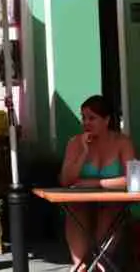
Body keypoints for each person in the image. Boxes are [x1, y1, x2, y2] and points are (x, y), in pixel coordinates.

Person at [60, 95, 136, 268]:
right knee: (74, 210)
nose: (86, 123)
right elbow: (65, 181)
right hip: (81, 203)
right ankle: (81, 266)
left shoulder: (123, 142)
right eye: (83, 118)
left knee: (109, 211)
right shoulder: (75, 143)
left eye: (92, 118)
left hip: (113, 203)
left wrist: (96, 183)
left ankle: (98, 261)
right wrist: (83, 153)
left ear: (107, 120)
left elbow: (134, 180)